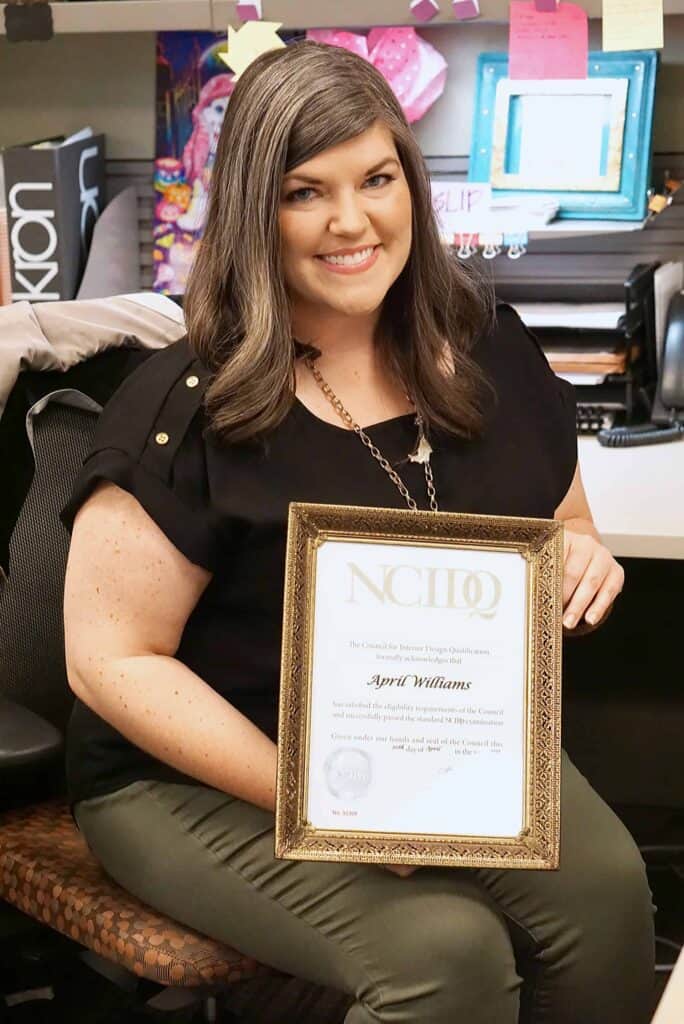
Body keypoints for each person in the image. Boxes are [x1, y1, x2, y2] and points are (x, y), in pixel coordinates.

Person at [61, 41, 655, 1024]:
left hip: (431, 746)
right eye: (306, 192)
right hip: (189, 777)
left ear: (411, 186)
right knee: (445, 955)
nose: (352, 221)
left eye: (377, 179)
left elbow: (561, 520)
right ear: (258, 212)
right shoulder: (187, 409)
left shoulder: (483, 345)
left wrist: (582, 559)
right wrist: (324, 800)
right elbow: (107, 661)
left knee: (607, 891)